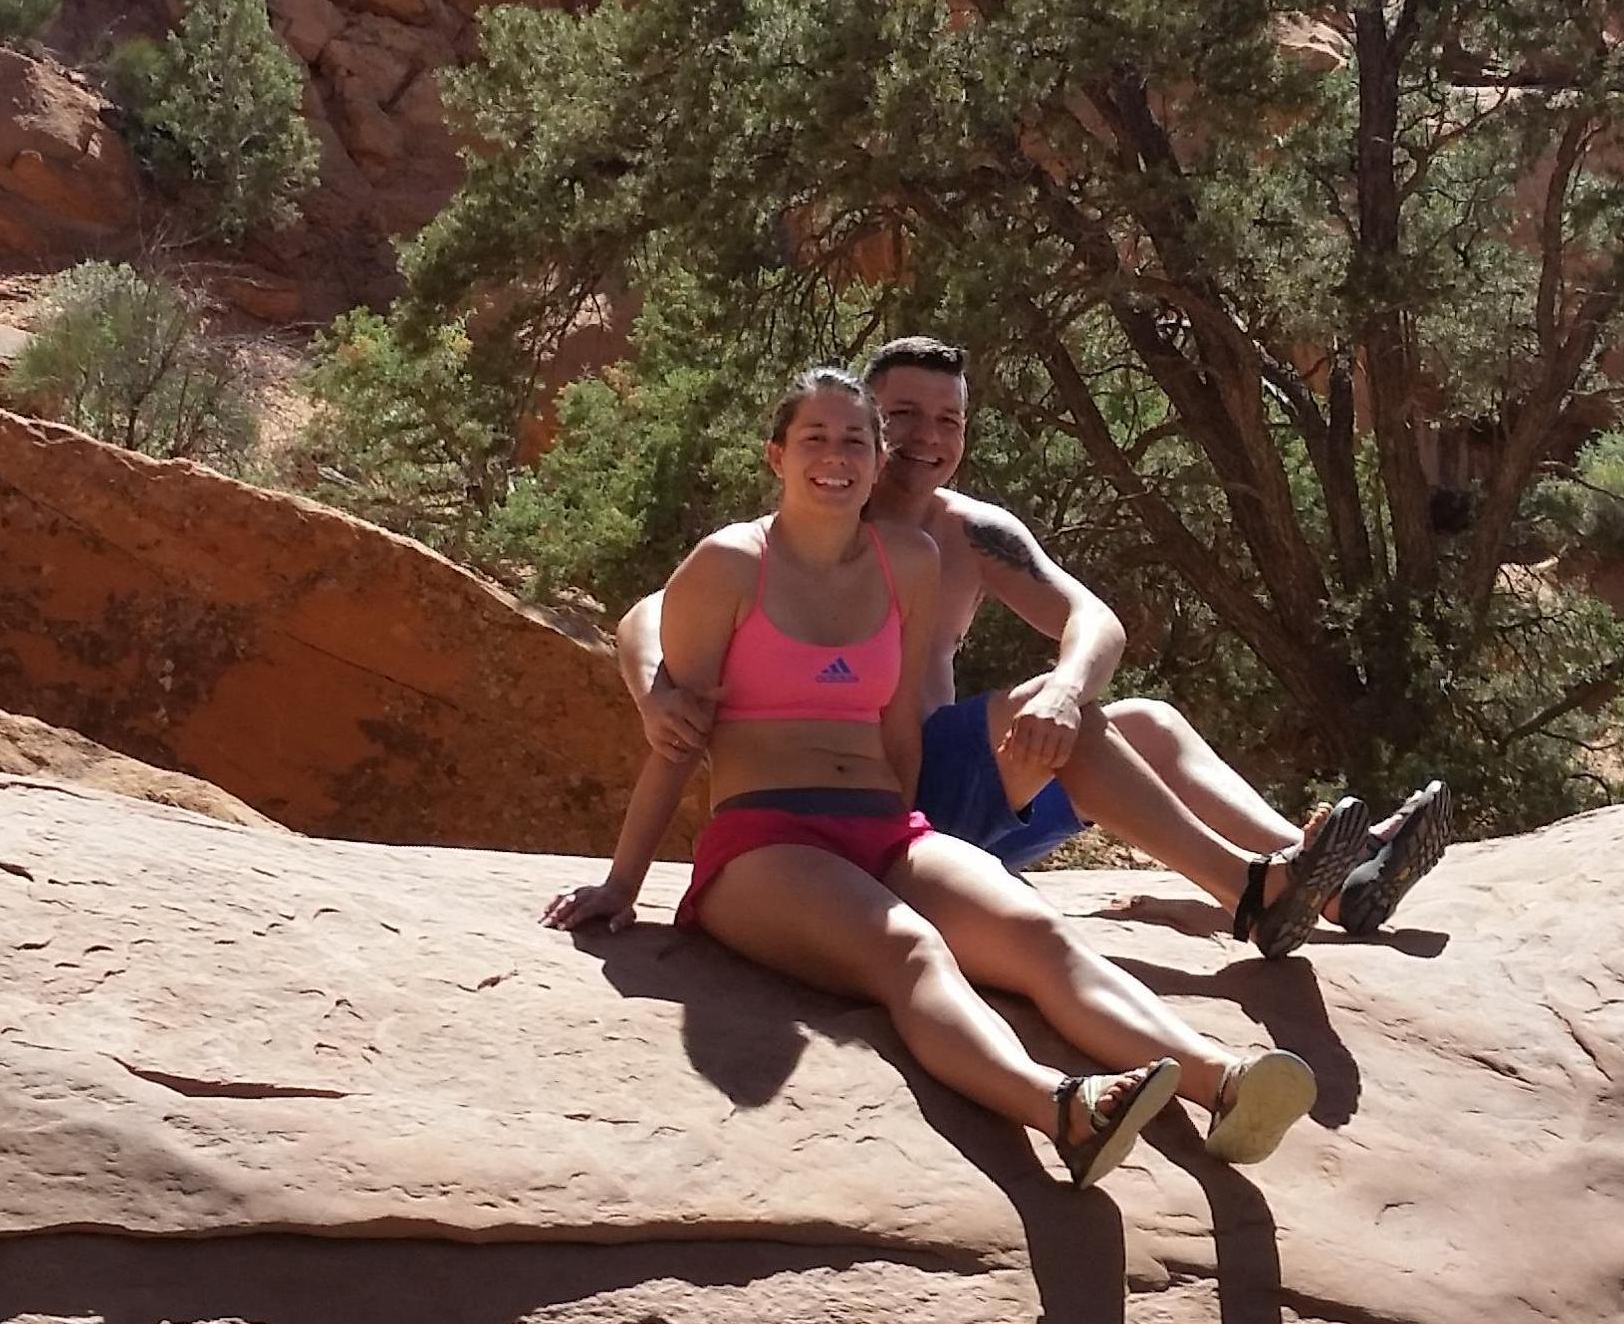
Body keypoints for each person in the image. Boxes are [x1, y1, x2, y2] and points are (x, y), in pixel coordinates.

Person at [544, 367, 1322, 1184]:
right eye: (815, 438)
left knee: (1037, 935)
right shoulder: (733, 562)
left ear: (879, 463)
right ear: (775, 454)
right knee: (911, 950)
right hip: (765, 840)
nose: (835, 458)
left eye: (855, 441)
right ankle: (1061, 1107)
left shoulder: (908, 561)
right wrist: (622, 883)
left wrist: (916, 843)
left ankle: (1225, 1081)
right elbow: (672, 721)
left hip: (882, 822)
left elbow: (894, 721)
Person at [616, 337, 1455, 953]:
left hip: (945, 797)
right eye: (901, 416)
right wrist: (657, 688)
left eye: (947, 420)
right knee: (1074, 723)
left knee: (1147, 720)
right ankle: (1251, 892)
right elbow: (648, 610)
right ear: (865, 429)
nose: (924, 437)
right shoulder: (817, 516)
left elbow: (1097, 622)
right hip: (858, 799)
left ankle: (1331, 880)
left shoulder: (974, 533)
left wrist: (1063, 687)